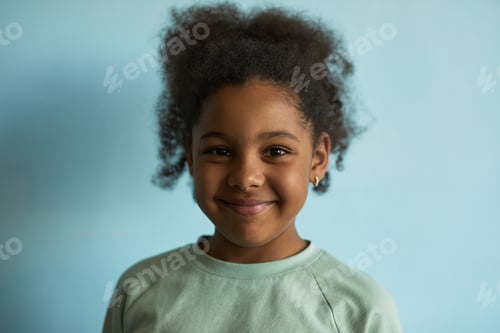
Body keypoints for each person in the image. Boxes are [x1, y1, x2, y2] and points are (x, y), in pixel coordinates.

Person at [103, 3, 403, 332]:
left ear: (317, 159)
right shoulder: (140, 291)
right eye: (219, 150)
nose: (246, 178)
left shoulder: (359, 309)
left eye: (275, 150)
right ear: (191, 157)